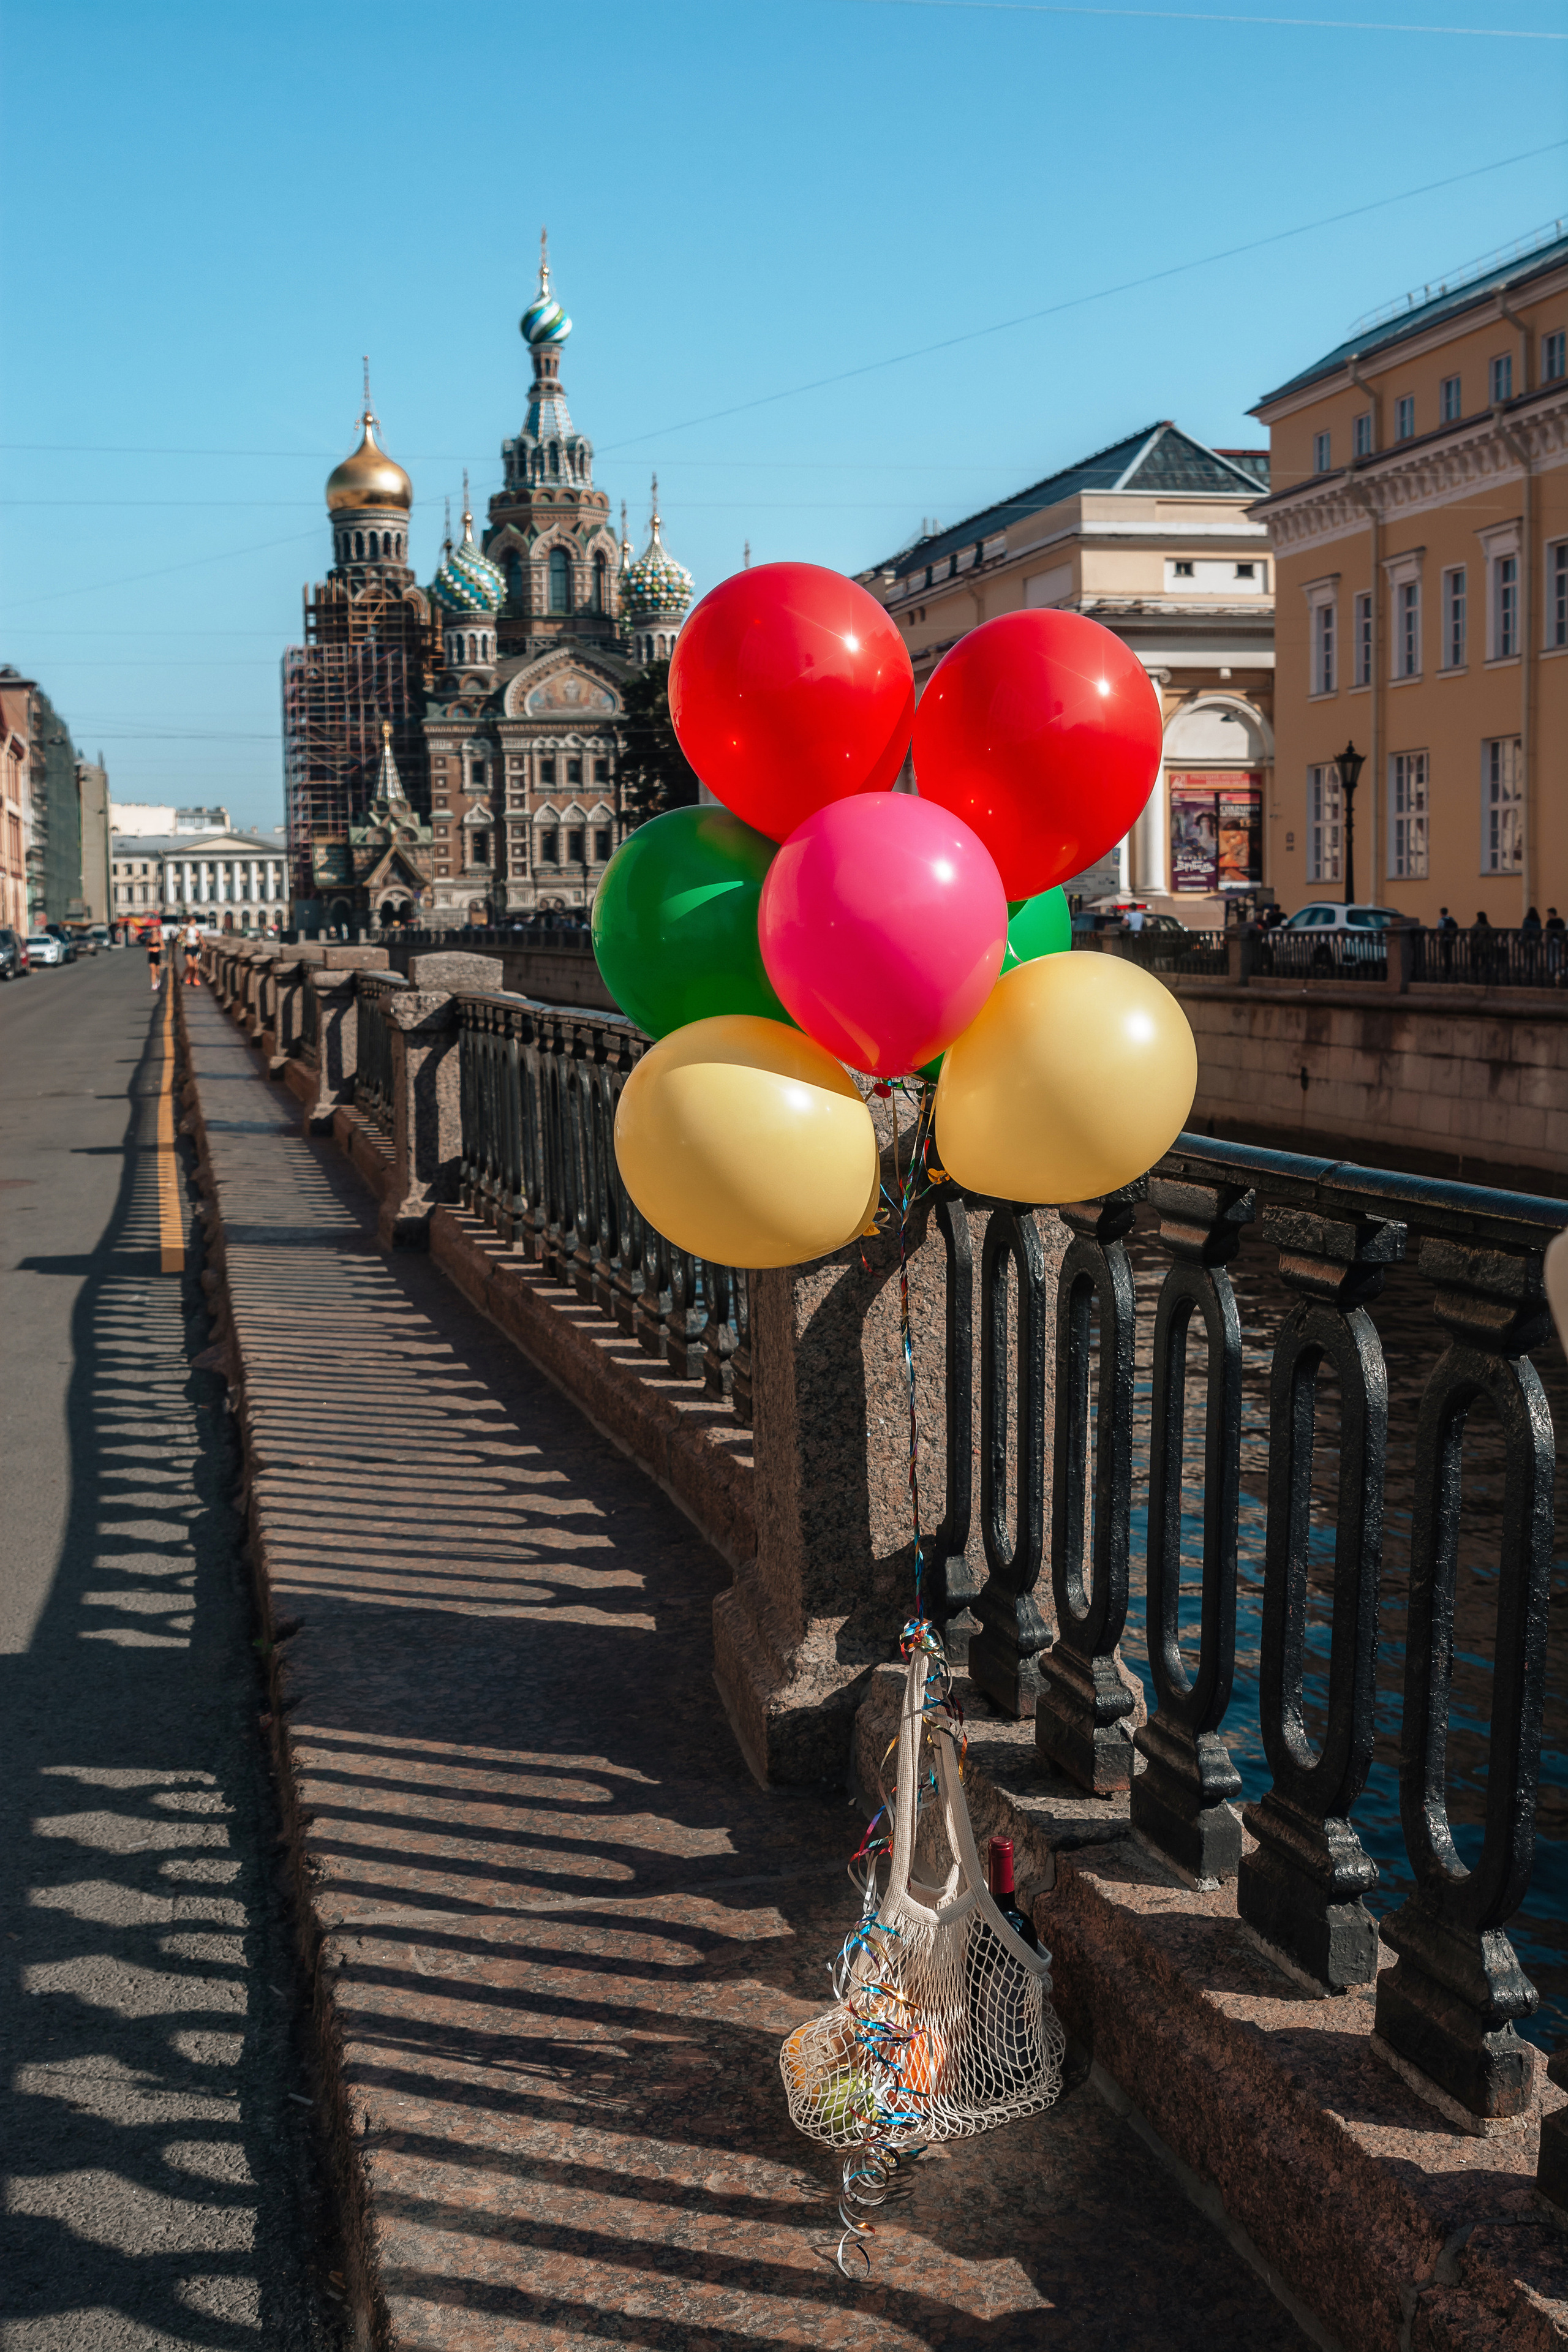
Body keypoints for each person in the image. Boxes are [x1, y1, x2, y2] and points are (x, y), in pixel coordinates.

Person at [181, 919, 202, 986]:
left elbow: (200, 938)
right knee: (191, 965)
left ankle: (193, 979)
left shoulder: (196, 930)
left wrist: (199, 941)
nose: (194, 922)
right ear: (190, 922)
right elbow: (180, 936)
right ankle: (183, 976)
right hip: (189, 948)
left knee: (196, 966)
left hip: (196, 949)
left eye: (195, 921)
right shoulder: (187, 929)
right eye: (193, 921)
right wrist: (186, 943)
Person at [146, 922, 164, 995]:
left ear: (157, 932)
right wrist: (150, 949)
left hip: (157, 956)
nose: (154, 933)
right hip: (151, 956)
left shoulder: (159, 940)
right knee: (152, 970)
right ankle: (153, 984)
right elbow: (147, 948)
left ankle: (158, 979)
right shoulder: (149, 940)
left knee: (157, 972)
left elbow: (163, 947)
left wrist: (158, 948)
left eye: (155, 931)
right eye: (153, 931)